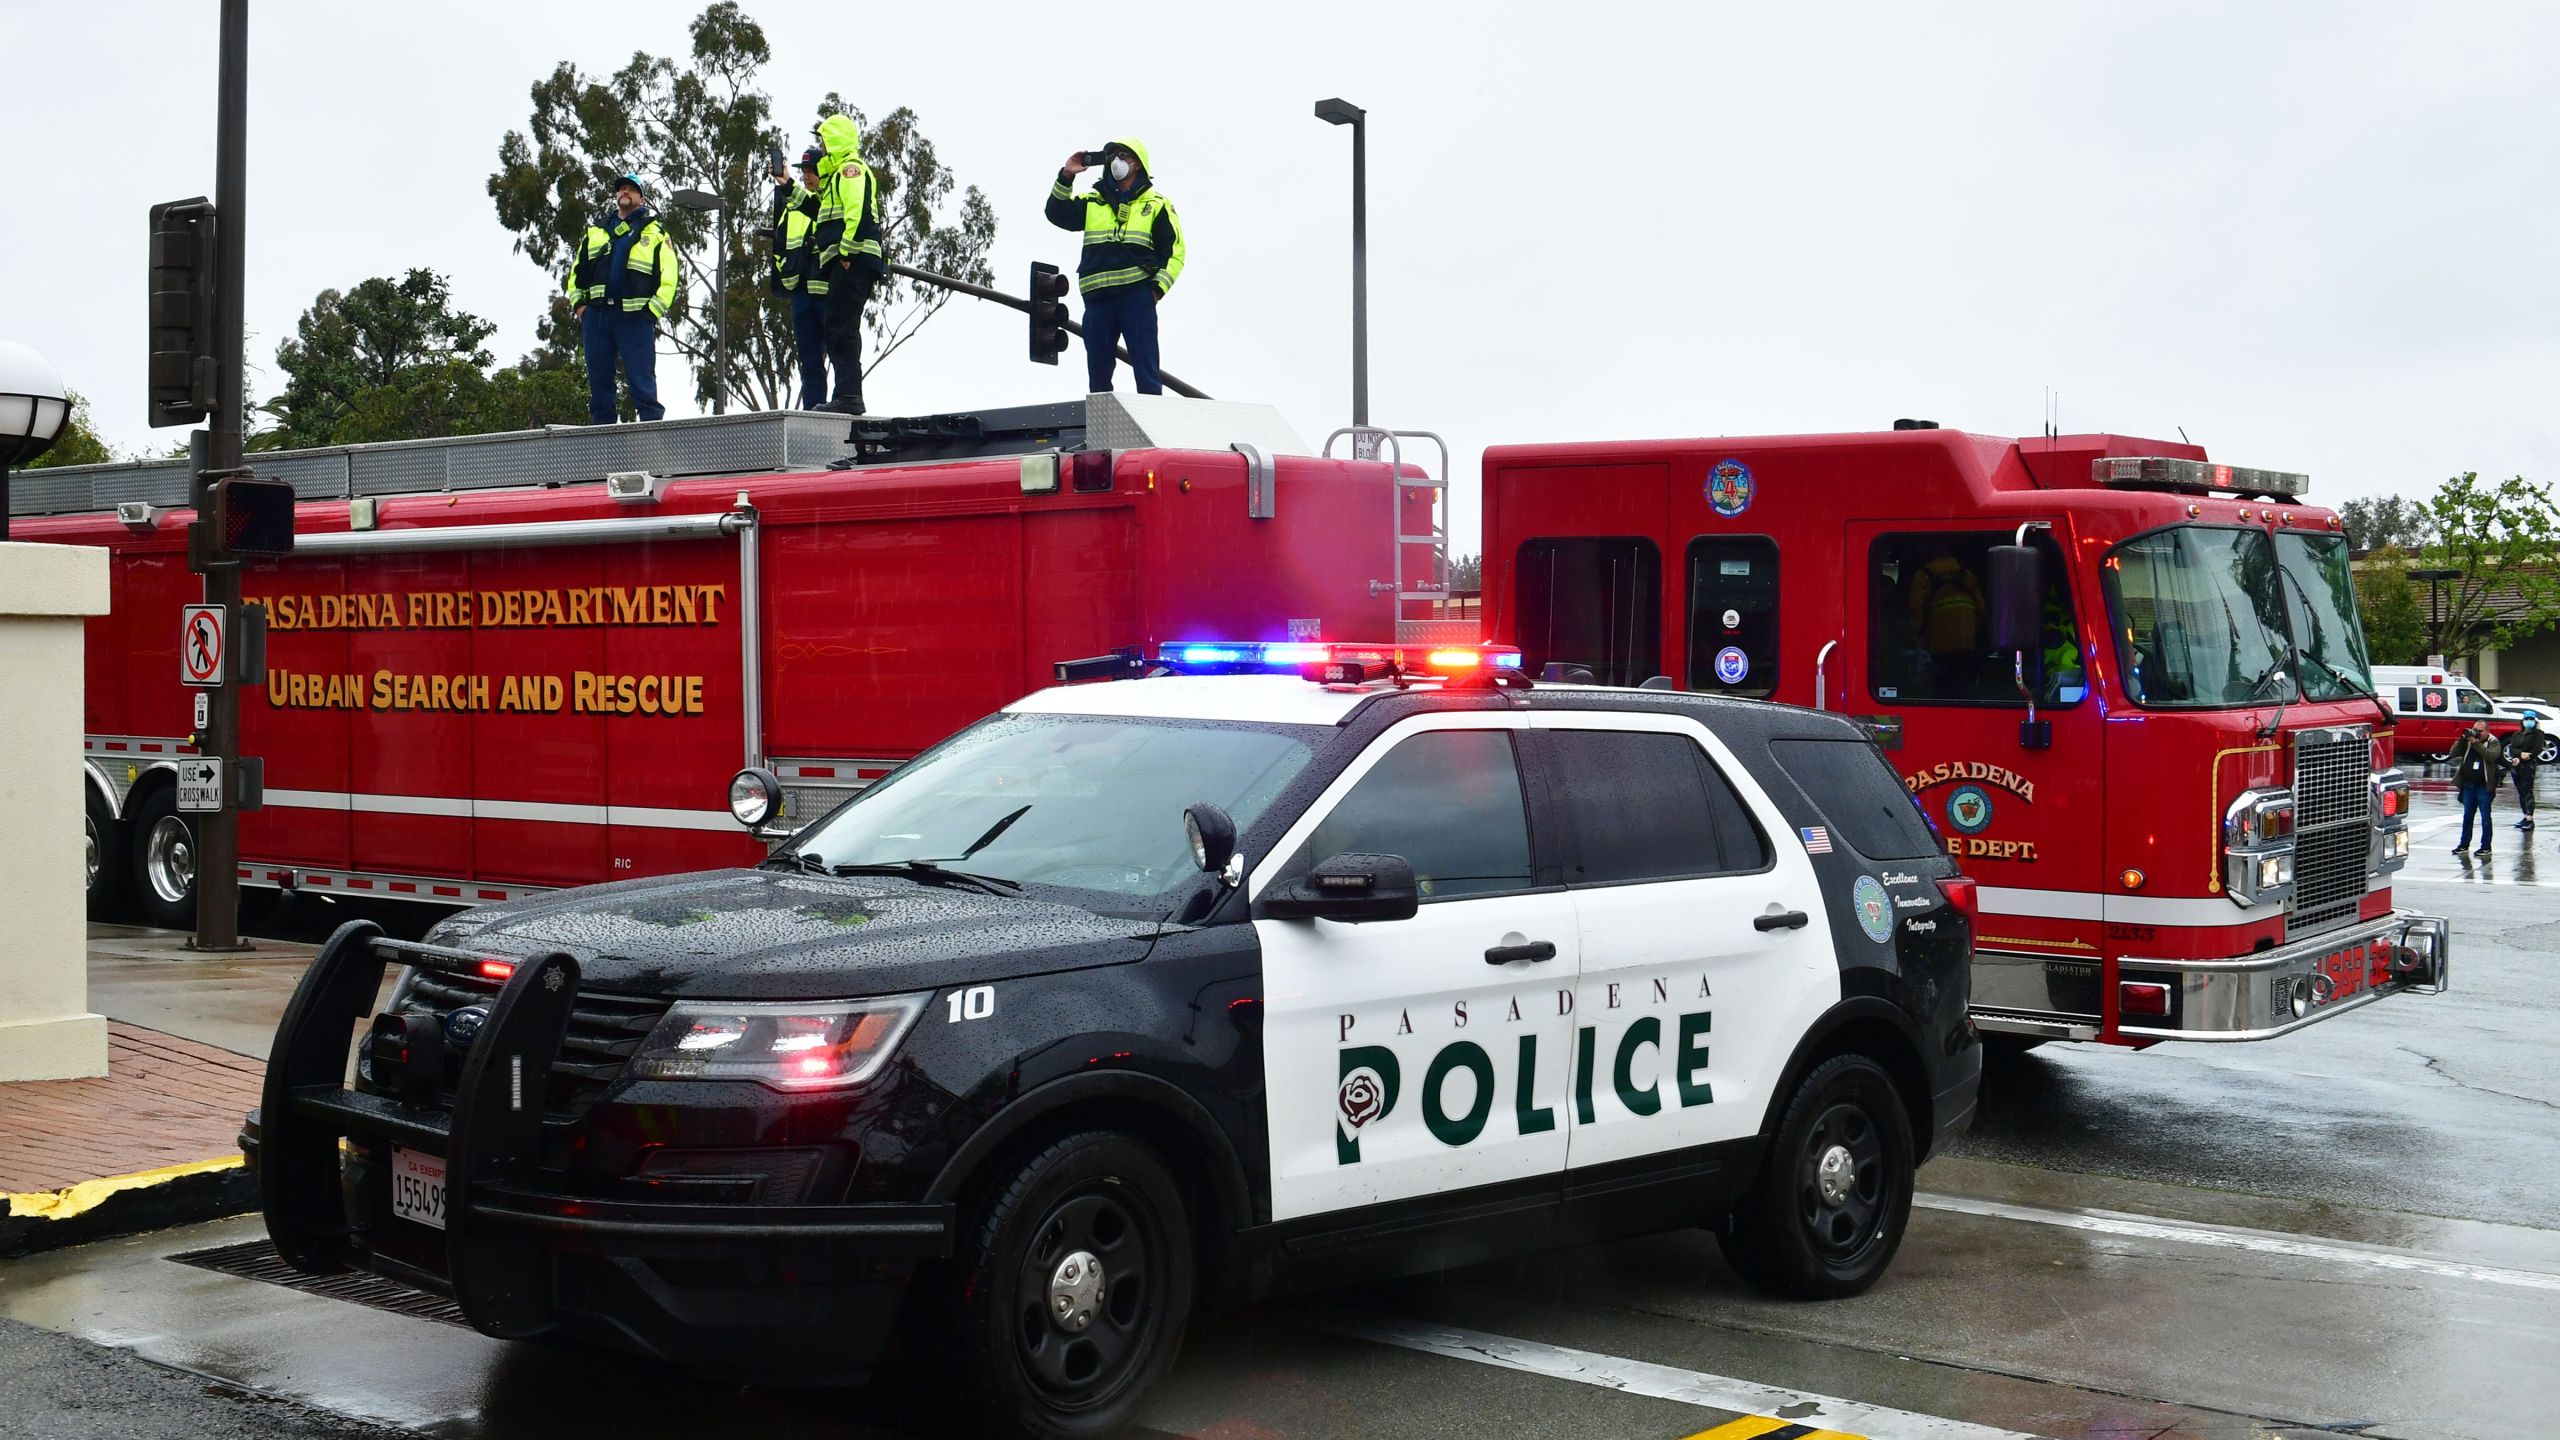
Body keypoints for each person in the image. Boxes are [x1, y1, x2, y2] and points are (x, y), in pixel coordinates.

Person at [1045, 138, 1186, 395]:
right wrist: (1067, 175)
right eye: (1113, 156)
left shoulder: (1156, 204)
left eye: (1123, 156)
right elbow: (1055, 212)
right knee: (1098, 381)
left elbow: (1175, 254)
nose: (1116, 162)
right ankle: (1103, 430)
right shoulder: (1093, 201)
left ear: (1138, 165)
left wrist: (1155, 291)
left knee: (1146, 375)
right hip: (1098, 303)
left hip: (1136, 299)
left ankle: (1150, 427)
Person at [566, 173, 679, 425]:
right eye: (621, 189)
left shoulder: (656, 232)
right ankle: (601, 439)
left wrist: (652, 312)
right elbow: (576, 273)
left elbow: (670, 278)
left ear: (641, 197)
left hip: (635, 318)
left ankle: (651, 434)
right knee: (599, 382)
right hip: (596, 317)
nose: (625, 192)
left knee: (642, 382)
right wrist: (580, 306)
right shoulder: (595, 231)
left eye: (631, 189)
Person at [810, 113, 886, 414]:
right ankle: (847, 395)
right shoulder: (835, 177)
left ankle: (849, 397)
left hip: (851, 262)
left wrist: (845, 253)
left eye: (824, 140)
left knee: (841, 328)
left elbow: (857, 213)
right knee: (839, 327)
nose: (822, 147)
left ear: (835, 140)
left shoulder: (849, 171)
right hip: (848, 262)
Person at [768, 147, 830, 408]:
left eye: (811, 171)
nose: (807, 177)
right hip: (801, 293)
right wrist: (784, 270)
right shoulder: (792, 206)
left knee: (838, 353)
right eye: (803, 171)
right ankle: (814, 408)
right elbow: (780, 244)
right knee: (808, 358)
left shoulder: (829, 202)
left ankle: (839, 404)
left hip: (828, 290)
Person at [1907, 544, 1985, 697]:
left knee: (1942, 689)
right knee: (1963, 689)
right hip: (1966, 642)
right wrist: (1973, 633)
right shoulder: (1966, 575)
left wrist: (1917, 639)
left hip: (1939, 643)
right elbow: (1981, 609)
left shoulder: (1923, 575)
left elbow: (1915, 609)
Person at [2451, 720, 2508, 855]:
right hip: (2469, 785)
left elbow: (2490, 756)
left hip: (2484, 786)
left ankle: (2486, 846)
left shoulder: (2493, 742)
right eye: (2475, 730)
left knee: (2485, 817)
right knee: (2467, 816)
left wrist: (2476, 743)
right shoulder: (2468, 741)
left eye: (2480, 731)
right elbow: (2453, 753)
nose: (2477, 733)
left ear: (2487, 731)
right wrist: (2462, 740)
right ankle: (2464, 844)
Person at [2507, 713, 2546, 832]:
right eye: (2526, 719)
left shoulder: (2538, 734)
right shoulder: (2517, 734)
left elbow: (2537, 748)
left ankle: (2530, 818)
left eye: (2531, 719)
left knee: (2527, 791)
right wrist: (2518, 755)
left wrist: (2524, 756)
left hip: (2528, 765)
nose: (2528, 721)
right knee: (2520, 791)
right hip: (2517, 764)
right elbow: (2512, 748)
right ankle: (2524, 816)